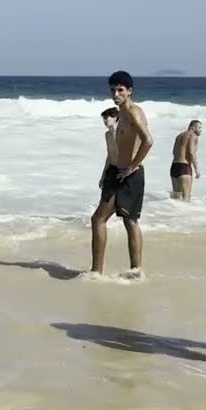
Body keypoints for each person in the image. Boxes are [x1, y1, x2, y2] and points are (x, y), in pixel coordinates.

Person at [90, 72, 152, 277]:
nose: (115, 94)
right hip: (116, 173)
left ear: (129, 91)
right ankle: (96, 272)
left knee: (130, 221)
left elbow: (148, 141)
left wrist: (133, 166)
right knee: (98, 218)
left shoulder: (134, 113)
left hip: (131, 174)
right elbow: (114, 150)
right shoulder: (120, 114)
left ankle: (136, 270)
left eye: (120, 90)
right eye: (112, 90)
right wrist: (107, 172)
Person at [169, 120, 202, 200]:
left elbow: (174, 151)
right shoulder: (193, 136)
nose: (201, 130)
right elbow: (191, 152)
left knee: (176, 197)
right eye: (199, 127)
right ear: (193, 127)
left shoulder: (179, 135)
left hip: (174, 166)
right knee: (186, 198)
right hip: (184, 167)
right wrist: (196, 169)